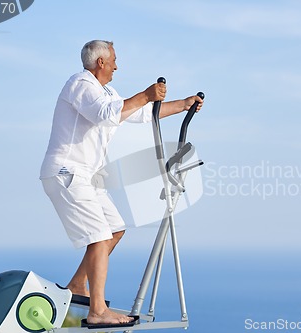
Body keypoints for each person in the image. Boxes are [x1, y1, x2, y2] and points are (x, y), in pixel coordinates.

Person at [40, 40, 203, 326]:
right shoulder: (79, 84)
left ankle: (78, 285)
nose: (117, 65)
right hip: (67, 173)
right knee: (99, 235)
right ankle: (97, 311)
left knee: (114, 229)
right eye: (114, 59)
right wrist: (145, 94)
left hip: (86, 177)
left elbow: (138, 113)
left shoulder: (106, 93)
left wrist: (182, 105)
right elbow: (104, 114)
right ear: (100, 62)